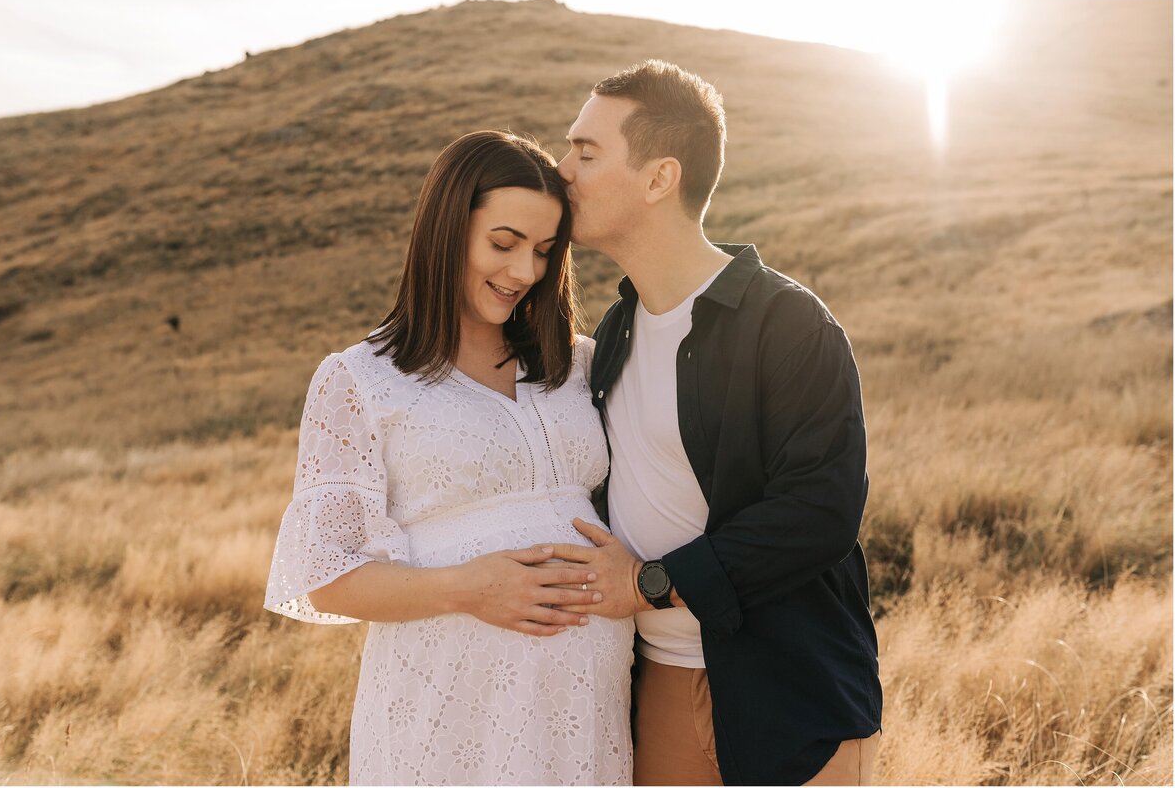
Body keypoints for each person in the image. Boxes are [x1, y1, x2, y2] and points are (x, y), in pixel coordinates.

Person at [543, 60, 884, 785]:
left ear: (659, 178)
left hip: (788, 694)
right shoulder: (613, 335)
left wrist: (651, 581)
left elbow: (819, 511)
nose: (562, 168)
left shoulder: (787, 322)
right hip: (655, 694)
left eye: (586, 151)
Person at [264, 130, 635, 785]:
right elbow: (326, 575)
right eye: (503, 243)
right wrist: (469, 588)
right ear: (446, 229)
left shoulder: (579, 364)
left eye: (545, 252)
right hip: (446, 706)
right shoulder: (359, 379)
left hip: (585, 706)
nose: (524, 272)